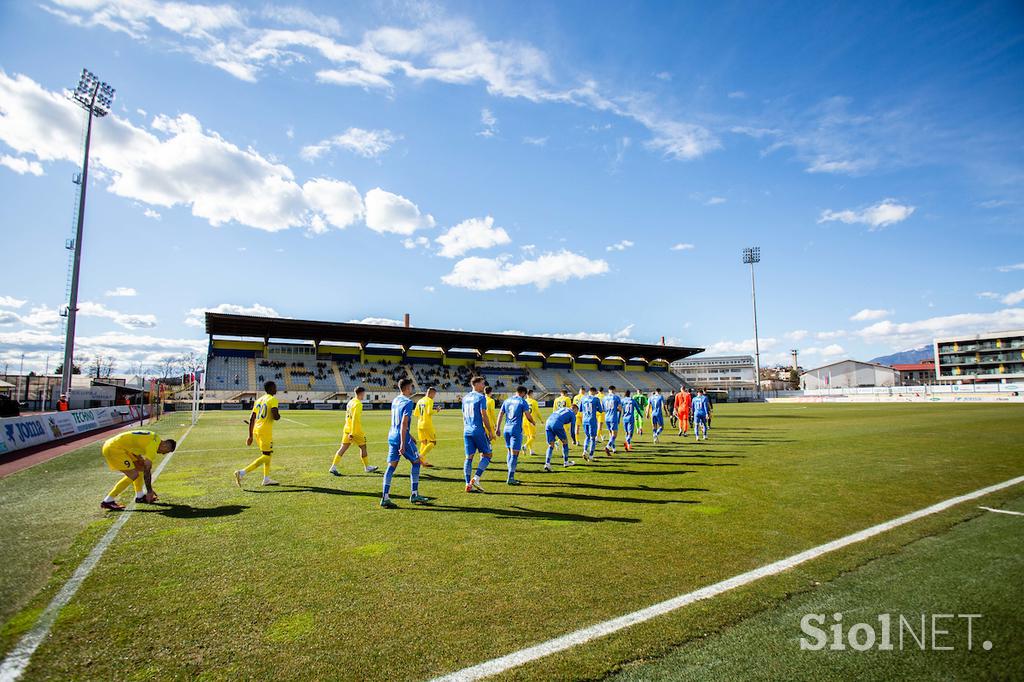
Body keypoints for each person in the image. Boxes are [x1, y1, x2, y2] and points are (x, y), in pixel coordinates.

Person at [381, 378, 428, 508]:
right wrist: (403, 442)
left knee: (391, 466)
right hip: (401, 437)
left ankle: (385, 497)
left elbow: (397, 422)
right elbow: (403, 423)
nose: (412, 389)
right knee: (416, 462)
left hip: (392, 435)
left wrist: (410, 436)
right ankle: (414, 494)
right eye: (411, 387)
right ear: (407, 388)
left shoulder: (395, 400)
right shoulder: (408, 402)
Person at [100, 430, 176, 510]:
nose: (163, 454)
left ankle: (139, 496)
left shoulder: (155, 438)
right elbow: (147, 470)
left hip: (121, 447)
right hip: (114, 448)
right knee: (133, 474)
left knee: (140, 467)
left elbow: (135, 445)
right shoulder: (153, 446)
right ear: (165, 446)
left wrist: (139, 460)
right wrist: (149, 491)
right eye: (165, 452)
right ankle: (108, 500)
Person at [235, 381, 281, 488]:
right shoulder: (272, 399)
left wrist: (250, 435)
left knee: (267, 454)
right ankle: (242, 472)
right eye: (275, 387)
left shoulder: (259, 400)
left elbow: (252, 418)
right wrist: (278, 416)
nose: (276, 390)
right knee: (266, 456)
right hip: (265, 431)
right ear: (270, 389)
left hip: (257, 430)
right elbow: (275, 415)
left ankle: (266, 479)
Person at [329, 386, 379, 476]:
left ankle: (333, 466)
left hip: (347, 428)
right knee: (363, 447)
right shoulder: (358, 404)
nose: (364, 395)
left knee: (343, 448)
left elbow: (347, 416)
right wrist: (353, 432)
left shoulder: (350, 402)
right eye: (364, 394)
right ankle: (367, 467)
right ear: (361, 393)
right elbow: (355, 419)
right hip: (355, 430)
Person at [496, 385, 534, 485]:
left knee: (509, 451)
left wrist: (497, 428)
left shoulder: (507, 400)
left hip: (506, 429)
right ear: (523, 393)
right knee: (515, 454)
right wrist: (533, 422)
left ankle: (510, 473)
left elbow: (500, 413)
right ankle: (511, 478)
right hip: (515, 430)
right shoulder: (522, 401)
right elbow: (528, 415)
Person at [463, 376, 495, 492]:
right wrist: (490, 431)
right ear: (475, 384)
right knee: (488, 455)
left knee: (469, 457)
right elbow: (483, 415)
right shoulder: (481, 397)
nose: (483, 386)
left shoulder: (465, 398)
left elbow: (463, 416)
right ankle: (476, 478)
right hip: (478, 430)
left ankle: (467, 484)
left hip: (467, 430)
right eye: (482, 384)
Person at [544, 404, 578, 471]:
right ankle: (566, 462)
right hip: (557, 423)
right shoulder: (572, 414)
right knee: (565, 442)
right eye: (577, 411)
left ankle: (547, 464)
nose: (576, 413)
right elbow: (572, 430)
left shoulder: (564, 408)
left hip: (548, 422)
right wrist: (574, 440)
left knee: (551, 445)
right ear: (575, 409)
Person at [415, 387, 439, 467]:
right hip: (427, 424)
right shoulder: (429, 400)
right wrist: (437, 410)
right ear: (431, 393)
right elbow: (429, 412)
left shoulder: (420, 401)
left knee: (424, 442)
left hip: (419, 424)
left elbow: (416, 414)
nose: (434, 396)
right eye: (434, 394)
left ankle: (423, 462)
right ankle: (420, 456)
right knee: (432, 442)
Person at [581, 387, 604, 461]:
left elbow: (580, 409)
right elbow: (600, 410)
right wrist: (595, 408)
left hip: (584, 420)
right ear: (594, 392)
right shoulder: (596, 399)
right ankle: (591, 456)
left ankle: (584, 451)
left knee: (587, 437)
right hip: (592, 420)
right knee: (593, 438)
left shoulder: (583, 398)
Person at [602, 385, 623, 455]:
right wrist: (616, 409)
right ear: (614, 390)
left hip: (607, 417)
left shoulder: (604, 398)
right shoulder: (616, 397)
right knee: (614, 435)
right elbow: (620, 409)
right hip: (613, 417)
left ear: (608, 390)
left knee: (610, 434)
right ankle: (607, 447)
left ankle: (614, 449)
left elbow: (603, 409)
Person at [522, 388, 541, 455]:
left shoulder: (523, 401)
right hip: (531, 421)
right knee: (533, 437)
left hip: (524, 421)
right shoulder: (534, 402)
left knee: (528, 436)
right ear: (531, 394)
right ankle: (525, 446)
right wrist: (541, 420)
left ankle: (531, 451)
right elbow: (537, 412)